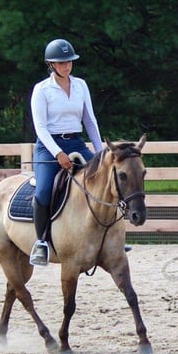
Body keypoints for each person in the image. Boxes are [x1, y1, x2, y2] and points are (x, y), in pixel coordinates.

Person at [29, 38, 104, 266]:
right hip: (48, 147)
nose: (66, 66)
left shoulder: (81, 85)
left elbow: (89, 120)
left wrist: (101, 152)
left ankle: (109, 237)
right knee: (43, 192)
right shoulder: (42, 90)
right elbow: (40, 127)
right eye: (61, 63)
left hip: (77, 143)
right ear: (51, 64)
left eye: (69, 62)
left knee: (106, 179)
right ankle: (41, 243)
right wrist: (57, 153)